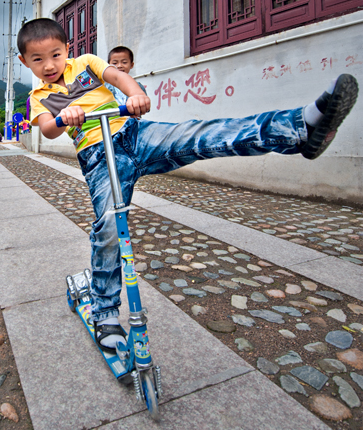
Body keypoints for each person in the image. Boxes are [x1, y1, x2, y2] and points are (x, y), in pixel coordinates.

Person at [18, 18, 358, 352]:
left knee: (200, 135)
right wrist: (65, 117)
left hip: (134, 134)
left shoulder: (86, 63)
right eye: (38, 59)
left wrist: (136, 95)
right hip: (99, 158)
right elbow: (47, 128)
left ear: (67, 49)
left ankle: (301, 127)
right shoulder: (38, 96)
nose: (49, 65)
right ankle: (104, 313)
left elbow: (118, 77)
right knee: (108, 229)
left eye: (56, 55)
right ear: (24, 61)